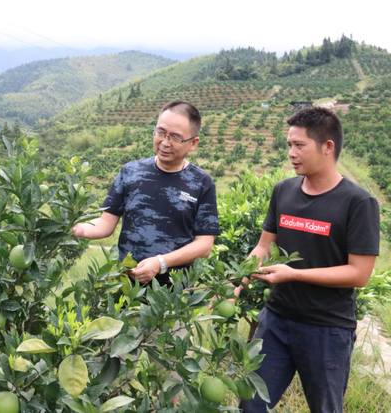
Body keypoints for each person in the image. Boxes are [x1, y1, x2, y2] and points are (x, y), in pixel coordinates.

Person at [239, 107, 380, 413]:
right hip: (275, 320)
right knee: (250, 405)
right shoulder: (284, 191)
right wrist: (237, 280)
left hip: (326, 329)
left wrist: (294, 274)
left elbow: (359, 274)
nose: (291, 153)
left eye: (299, 145)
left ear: (328, 147)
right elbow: (263, 247)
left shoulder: (358, 202)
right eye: (289, 145)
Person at [73, 100, 220, 286]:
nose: (165, 143)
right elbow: (104, 223)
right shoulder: (130, 173)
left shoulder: (201, 183)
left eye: (175, 137)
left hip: (174, 295)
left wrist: (160, 263)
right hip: (126, 287)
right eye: (161, 132)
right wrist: (75, 228)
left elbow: (204, 245)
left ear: (193, 143)